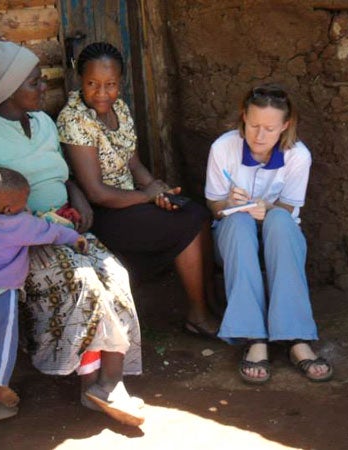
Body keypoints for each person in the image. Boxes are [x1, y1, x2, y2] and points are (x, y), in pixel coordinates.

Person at [0, 41, 144, 426]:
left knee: (116, 275)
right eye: (35, 82)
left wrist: (77, 196)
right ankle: (92, 384)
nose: (44, 89)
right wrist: (25, 227)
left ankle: (112, 382)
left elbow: (63, 173)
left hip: (64, 225)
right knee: (83, 283)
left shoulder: (41, 123)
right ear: (8, 89)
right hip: (20, 243)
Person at [57, 42, 220, 338]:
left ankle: (209, 301)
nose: (102, 92)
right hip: (105, 213)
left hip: (131, 200)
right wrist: (147, 196)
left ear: (121, 82)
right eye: (92, 83)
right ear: (80, 80)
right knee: (188, 222)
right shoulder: (74, 119)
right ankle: (198, 314)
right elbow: (95, 192)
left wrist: (158, 191)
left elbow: (133, 164)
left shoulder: (119, 108)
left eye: (110, 84)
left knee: (195, 211)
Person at [204, 84, 333, 384]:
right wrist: (231, 204)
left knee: (279, 223)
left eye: (270, 129)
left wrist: (268, 207)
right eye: (253, 125)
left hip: (277, 229)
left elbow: (289, 207)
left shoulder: (298, 156)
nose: (260, 136)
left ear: (285, 126)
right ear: (243, 118)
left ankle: (296, 337)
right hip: (234, 231)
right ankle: (254, 337)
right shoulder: (223, 148)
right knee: (238, 224)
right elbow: (214, 206)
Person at [0, 167, 88, 423]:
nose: (27, 206)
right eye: (24, 203)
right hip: (1, 296)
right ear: (9, 209)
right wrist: (75, 238)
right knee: (2, 350)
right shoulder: (18, 224)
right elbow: (50, 232)